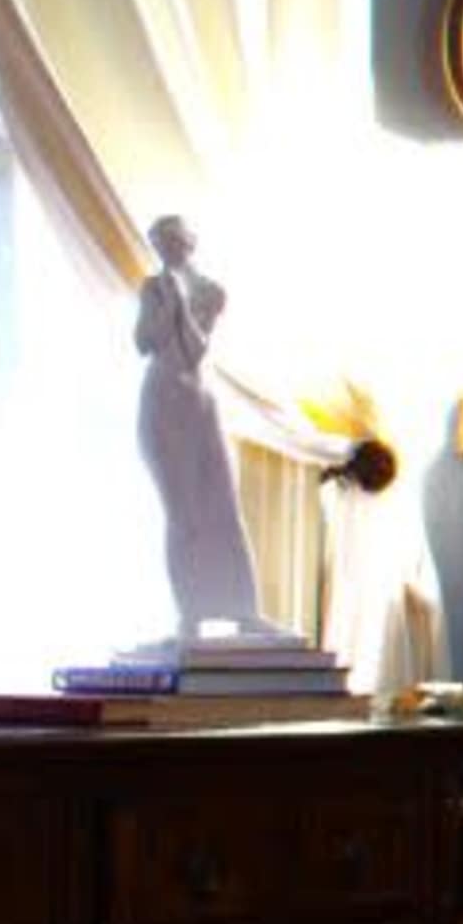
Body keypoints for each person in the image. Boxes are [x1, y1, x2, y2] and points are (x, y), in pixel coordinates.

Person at [135, 213, 262, 633]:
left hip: (198, 400)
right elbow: (144, 342)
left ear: (190, 243)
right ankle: (189, 612)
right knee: (182, 512)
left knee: (223, 505)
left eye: (173, 240)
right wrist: (164, 305)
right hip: (162, 402)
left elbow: (195, 347)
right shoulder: (153, 287)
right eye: (160, 242)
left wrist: (180, 307)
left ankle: (245, 609)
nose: (167, 249)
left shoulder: (210, 291)